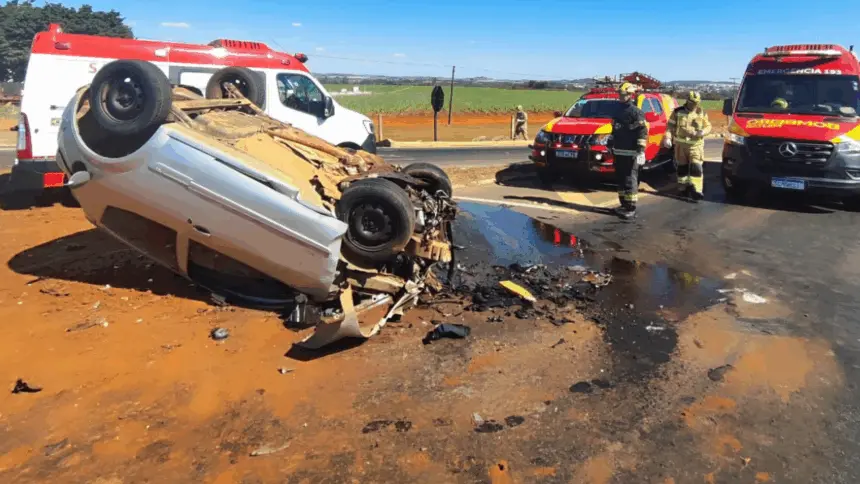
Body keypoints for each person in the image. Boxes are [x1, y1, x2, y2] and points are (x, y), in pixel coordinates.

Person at [608, 82, 648, 220]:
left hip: (631, 152)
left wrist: (641, 150)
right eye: (619, 94)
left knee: (630, 179)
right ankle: (623, 204)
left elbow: (642, 132)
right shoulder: (617, 110)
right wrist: (610, 144)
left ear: (630, 95)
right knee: (620, 179)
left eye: (623, 95)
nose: (620, 97)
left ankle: (631, 207)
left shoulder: (636, 112)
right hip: (618, 150)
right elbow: (614, 129)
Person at [664, 91, 711, 201]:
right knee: (682, 168)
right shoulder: (678, 112)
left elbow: (708, 126)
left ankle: (697, 190)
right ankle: (682, 188)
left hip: (695, 146)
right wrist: (667, 137)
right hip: (680, 146)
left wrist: (703, 132)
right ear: (687, 101)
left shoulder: (701, 113)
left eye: (696, 103)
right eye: (692, 102)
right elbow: (670, 126)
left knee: (696, 167)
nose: (694, 105)